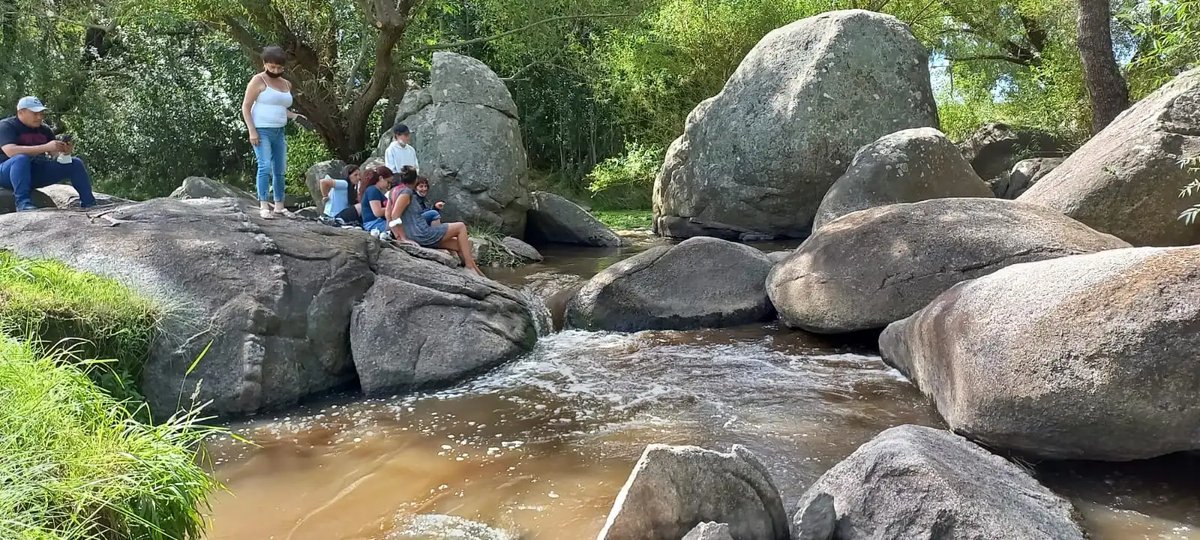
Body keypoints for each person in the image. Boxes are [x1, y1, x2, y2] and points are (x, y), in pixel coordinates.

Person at [241, 45, 305, 219]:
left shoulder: (286, 84)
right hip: (261, 129)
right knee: (265, 166)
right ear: (265, 64)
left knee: (280, 169)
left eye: (279, 68)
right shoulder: (258, 80)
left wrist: (295, 117)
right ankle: (263, 205)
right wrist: (251, 130)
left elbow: (281, 108)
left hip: (279, 130)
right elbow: (246, 107)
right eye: (272, 67)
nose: (275, 70)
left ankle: (279, 205)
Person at [0, 96, 97, 211]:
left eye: (41, 113)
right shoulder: (6, 126)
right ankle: (23, 203)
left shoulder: (45, 130)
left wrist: (65, 153)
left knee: (75, 163)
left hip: (35, 172)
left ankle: (89, 203)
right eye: (35, 113)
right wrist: (45, 147)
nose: (39, 117)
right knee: (21, 159)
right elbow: (11, 151)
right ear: (21, 112)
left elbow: (55, 156)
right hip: (8, 173)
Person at [388, 172, 482, 276]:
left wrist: (397, 235)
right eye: (420, 185)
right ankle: (469, 267)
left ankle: (479, 274)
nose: (423, 188)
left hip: (418, 234)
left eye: (425, 186)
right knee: (461, 226)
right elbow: (394, 215)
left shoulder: (393, 192)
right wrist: (402, 238)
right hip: (421, 234)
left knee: (460, 245)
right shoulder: (406, 193)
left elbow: (388, 215)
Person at [359, 168, 391, 235]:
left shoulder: (375, 190)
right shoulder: (373, 190)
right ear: (381, 178)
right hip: (374, 223)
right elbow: (377, 212)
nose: (388, 185)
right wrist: (393, 207)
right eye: (388, 182)